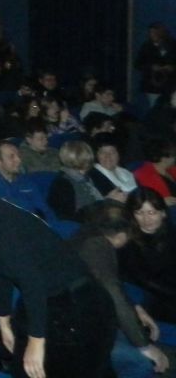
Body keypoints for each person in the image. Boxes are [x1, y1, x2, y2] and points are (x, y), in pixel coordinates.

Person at [0, 160, 116, 378]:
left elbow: (32, 282)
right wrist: (3, 321)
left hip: (79, 306)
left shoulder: (0, 224)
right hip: (57, 302)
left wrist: (36, 342)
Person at [71, 203, 171, 378]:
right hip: (79, 327)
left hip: (88, 315)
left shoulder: (88, 234)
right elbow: (112, 291)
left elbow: (113, 285)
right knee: (141, 362)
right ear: (121, 235)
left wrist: (136, 308)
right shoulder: (97, 247)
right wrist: (144, 346)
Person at [120, 187, 176, 323]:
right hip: (156, 297)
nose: (146, 219)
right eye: (139, 213)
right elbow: (144, 280)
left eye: (152, 212)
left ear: (163, 213)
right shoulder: (128, 242)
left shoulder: (169, 231)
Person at [0, 140, 56, 220]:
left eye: (18, 155)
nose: (18, 160)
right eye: (11, 157)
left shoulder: (26, 181)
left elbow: (45, 210)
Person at [47, 140, 123, 221]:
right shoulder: (62, 184)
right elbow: (70, 216)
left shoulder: (90, 175)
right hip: (86, 224)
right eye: (85, 160)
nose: (89, 163)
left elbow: (104, 195)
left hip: (101, 217)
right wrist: (107, 202)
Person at [133, 138, 176, 204]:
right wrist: (162, 202)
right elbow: (162, 201)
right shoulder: (145, 175)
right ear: (164, 158)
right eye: (174, 155)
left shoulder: (169, 168)